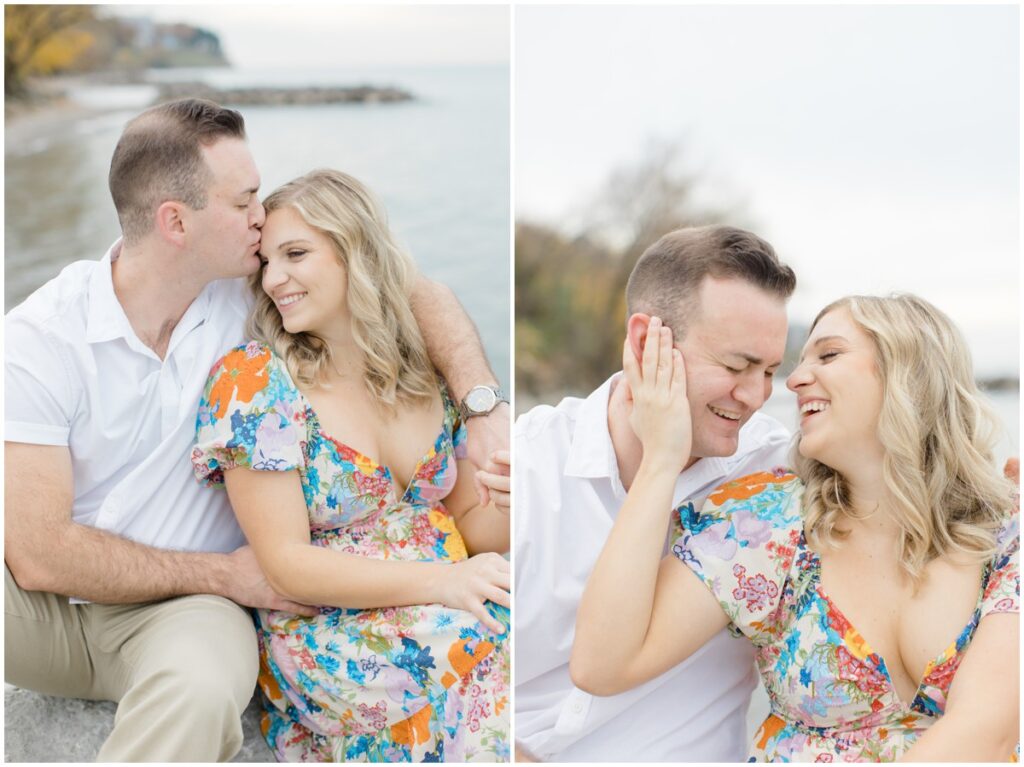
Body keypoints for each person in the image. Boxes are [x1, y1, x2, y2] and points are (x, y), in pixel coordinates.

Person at [4, 99, 509, 762]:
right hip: (43, 609)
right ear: (175, 221)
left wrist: (484, 409)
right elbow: (38, 554)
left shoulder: (249, 289)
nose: (259, 216)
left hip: (175, 609)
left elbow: (408, 290)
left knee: (200, 686)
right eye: (244, 201)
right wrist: (228, 574)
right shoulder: (39, 339)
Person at [572, 295, 1019, 761]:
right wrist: (660, 461)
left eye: (828, 355)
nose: (794, 379)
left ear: (909, 371)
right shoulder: (766, 526)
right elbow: (602, 665)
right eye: (798, 362)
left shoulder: (1004, 529)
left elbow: (988, 729)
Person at [191, 169, 511, 762]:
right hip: (333, 628)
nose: (274, 278)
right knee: (490, 639)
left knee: (527, 622)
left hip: (443, 598)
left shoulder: (422, 368)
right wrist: (442, 583)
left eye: (295, 254)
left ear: (355, 251)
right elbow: (285, 564)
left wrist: (509, 502)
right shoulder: (256, 380)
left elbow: (468, 520)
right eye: (266, 261)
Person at [514, 225, 797, 761]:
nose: (756, 396)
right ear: (647, 343)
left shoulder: (773, 474)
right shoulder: (529, 465)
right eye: (737, 366)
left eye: (769, 372)